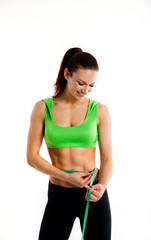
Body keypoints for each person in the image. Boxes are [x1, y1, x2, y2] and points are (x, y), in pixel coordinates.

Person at [26, 47, 113, 240]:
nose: (86, 90)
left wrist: (103, 186)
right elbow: (32, 157)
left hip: (92, 192)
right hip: (59, 194)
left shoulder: (100, 111)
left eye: (91, 85)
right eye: (81, 83)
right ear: (67, 74)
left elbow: (107, 158)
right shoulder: (42, 108)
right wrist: (66, 176)